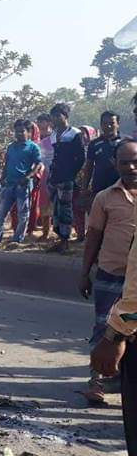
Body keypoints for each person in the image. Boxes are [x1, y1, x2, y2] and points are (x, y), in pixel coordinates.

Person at [78, 139, 137, 406]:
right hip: (112, 276)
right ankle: (97, 381)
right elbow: (94, 238)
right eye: (124, 161)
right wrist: (84, 272)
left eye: (135, 160)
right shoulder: (105, 198)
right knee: (106, 328)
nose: (131, 167)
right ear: (115, 164)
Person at [0, 120, 42, 244]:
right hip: (9, 185)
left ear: (28, 132)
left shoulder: (33, 147)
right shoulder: (11, 146)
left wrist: (28, 176)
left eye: (22, 131)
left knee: (23, 214)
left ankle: (17, 239)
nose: (19, 133)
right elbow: (7, 163)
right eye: (17, 131)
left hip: (23, 186)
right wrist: (3, 177)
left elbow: (38, 164)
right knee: (0, 213)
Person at [48, 103, 85, 254]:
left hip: (67, 178)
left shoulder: (74, 133)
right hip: (54, 178)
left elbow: (81, 157)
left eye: (58, 115)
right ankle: (60, 238)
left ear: (66, 116)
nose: (55, 119)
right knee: (56, 210)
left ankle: (66, 241)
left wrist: (71, 173)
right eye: (53, 116)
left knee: (66, 210)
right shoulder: (53, 134)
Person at [81, 111, 121, 202]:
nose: (108, 126)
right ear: (101, 125)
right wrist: (84, 188)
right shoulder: (94, 144)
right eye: (105, 123)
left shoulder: (126, 142)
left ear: (118, 124)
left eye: (112, 123)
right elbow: (89, 167)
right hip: (100, 189)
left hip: (121, 188)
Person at [35, 114, 55, 240]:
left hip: (56, 174)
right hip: (44, 175)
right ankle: (46, 232)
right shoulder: (38, 142)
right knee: (44, 203)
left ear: (49, 123)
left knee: (57, 204)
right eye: (39, 122)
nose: (40, 124)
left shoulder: (56, 138)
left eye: (42, 122)